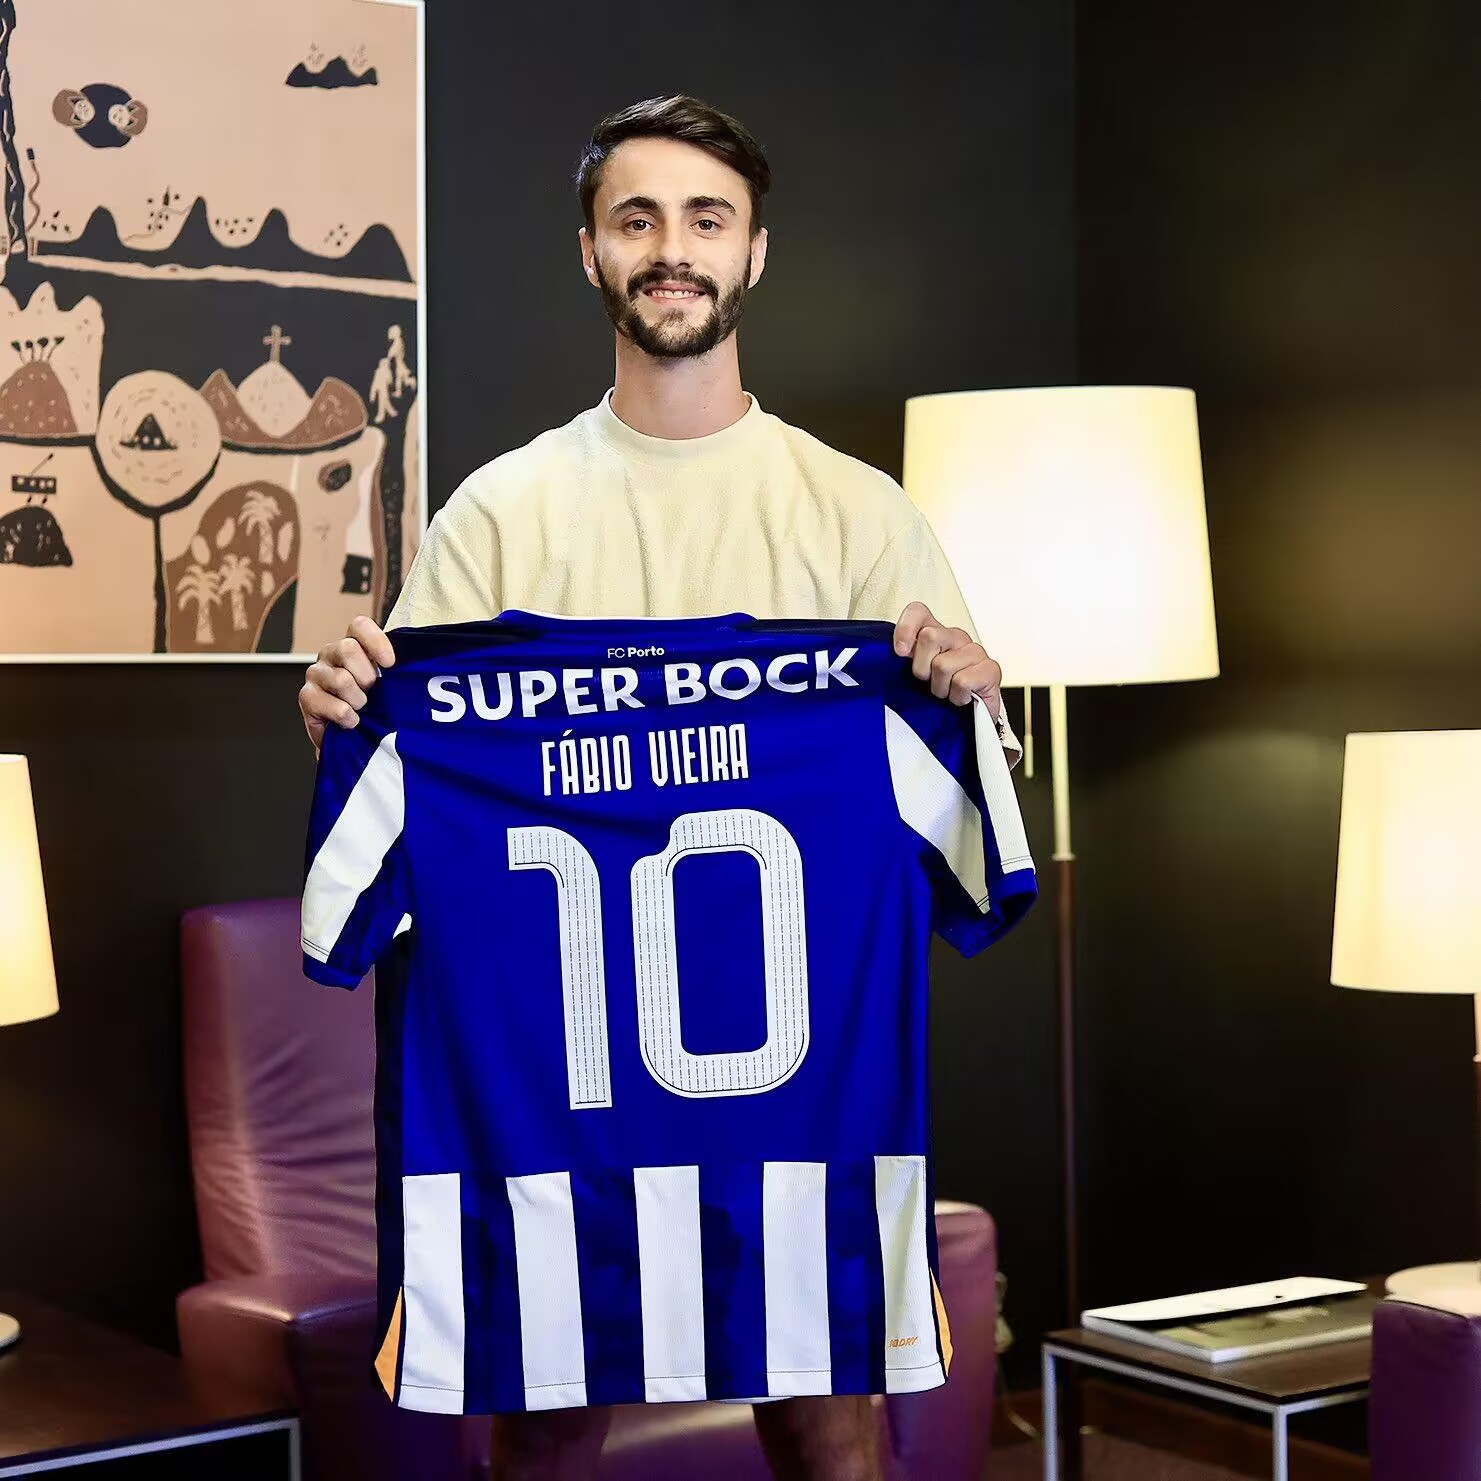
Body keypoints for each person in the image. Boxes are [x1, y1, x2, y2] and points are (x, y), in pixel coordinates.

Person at [298, 94, 1015, 1481]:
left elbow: (953, 798)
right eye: (637, 220)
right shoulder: (500, 512)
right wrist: (342, 711)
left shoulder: (858, 513)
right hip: (556, 1081)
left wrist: (969, 694)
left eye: (705, 219)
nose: (671, 249)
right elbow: (412, 773)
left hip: (794, 1081)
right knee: (547, 1425)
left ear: (755, 252)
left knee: (827, 1421)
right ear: (590, 252)